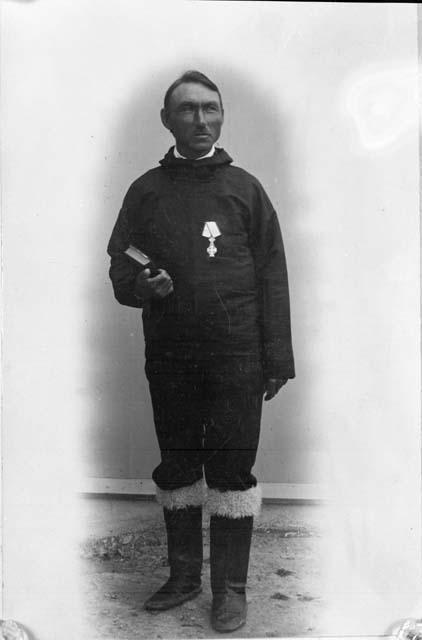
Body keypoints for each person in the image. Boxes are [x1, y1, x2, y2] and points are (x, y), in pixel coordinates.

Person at [107, 70, 295, 633]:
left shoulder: (245, 189)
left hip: (239, 356)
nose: (200, 120)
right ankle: (184, 577)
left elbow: (274, 277)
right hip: (172, 354)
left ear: (222, 116)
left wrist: (277, 357)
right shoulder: (146, 189)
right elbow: (122, 260)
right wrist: (142, 287)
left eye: (210, 109)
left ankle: (230, 590)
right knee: (180, 464)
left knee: (233, 470)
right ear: (167, 120)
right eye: (186, 110)